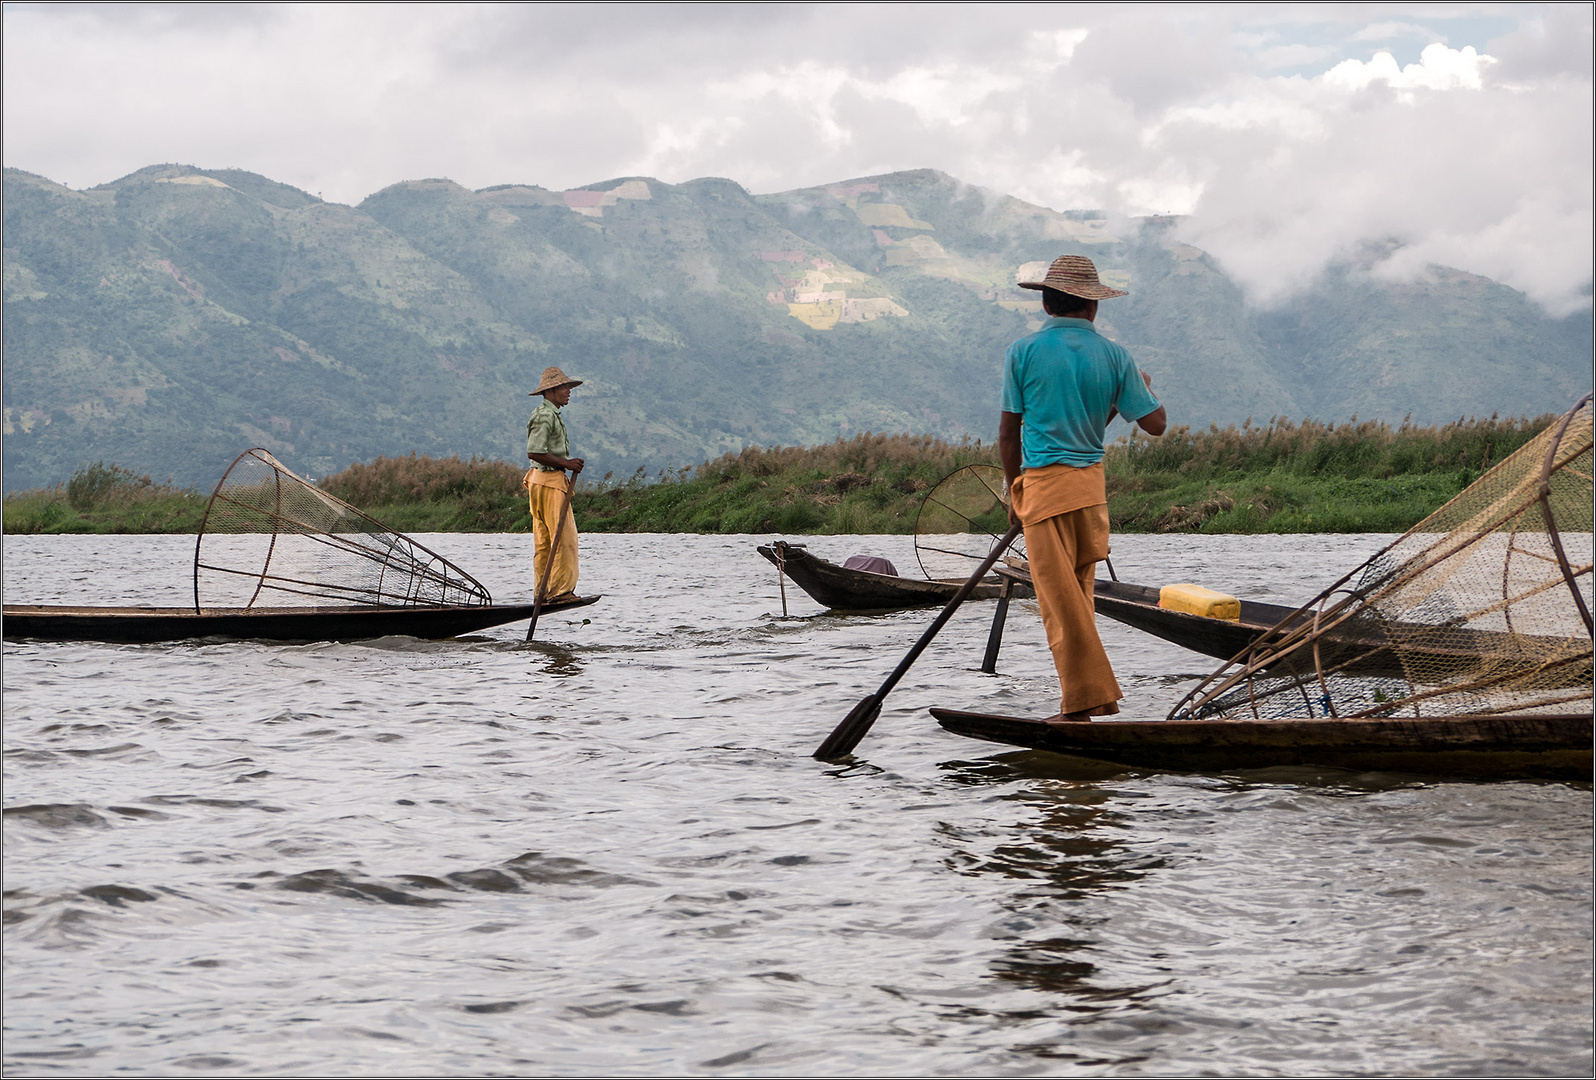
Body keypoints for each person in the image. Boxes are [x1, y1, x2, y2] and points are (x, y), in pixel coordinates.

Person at [999, 254, 1167, 721]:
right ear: (1092, 306)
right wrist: (1137, 389)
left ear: (1048, 304)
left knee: (1060, 605)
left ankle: (1080, 707)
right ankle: (1095, 699)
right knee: (1078, 599)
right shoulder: (1115, 357)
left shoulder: (1023, 352)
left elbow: (1009, 435)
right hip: (1091, 495)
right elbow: (1156, 423)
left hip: (1044, 492)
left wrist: (1014, 492)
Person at [524, 365, 585, 600]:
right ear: (550, 391)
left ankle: (543, 592)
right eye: (564, 387)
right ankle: (559, 591)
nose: (568, 391)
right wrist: (567, 464)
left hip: (542, 482)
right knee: (564, 539)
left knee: (546, 543)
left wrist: (565, 464)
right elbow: (534, 452)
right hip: (548, 482)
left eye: (568, 387)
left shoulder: (551, 414)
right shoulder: (544, 414)